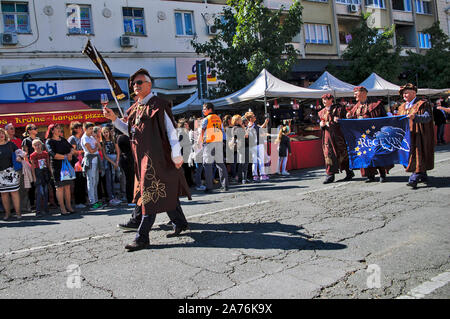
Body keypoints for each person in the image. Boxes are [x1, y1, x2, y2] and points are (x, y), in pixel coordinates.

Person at [103, 68, 191, 251]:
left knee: (149, 195)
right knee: (164, 189)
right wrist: (114, 119)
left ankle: (142, 237)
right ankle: (180, 222)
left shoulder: (159, 104)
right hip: (141, 158)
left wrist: (176, 153)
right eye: (133, 83)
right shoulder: (135, 108)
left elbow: (171, 130)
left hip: (157, 158)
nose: (135, 86)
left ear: (149, 85)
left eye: (139, 82)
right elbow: (130, 131)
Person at [346, 86, 392, 183]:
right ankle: (370, 175)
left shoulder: (376, 104)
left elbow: (383, 119)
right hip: (363, 137)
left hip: (374, 134)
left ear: (363, 93)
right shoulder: (356, 107)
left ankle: (382, 173)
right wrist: (349, 117)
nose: (354, 95)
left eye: (356, 93)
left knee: (377, 153)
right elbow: (353, 120)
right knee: (365, 155)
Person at [397, 83, 435, 189]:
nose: (404, 95)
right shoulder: (401, 107)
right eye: (403, 93)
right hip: (407, 136)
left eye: (406, 93)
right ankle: (422, 174)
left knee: (418, 154)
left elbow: (427, 117)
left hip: (419, 135)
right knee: (410, 155)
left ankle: (414, 178)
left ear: (414, 93)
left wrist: (415, 117)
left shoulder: (422, 104)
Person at [319, 94, 354, 184]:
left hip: (338, 135)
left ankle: (349, 172)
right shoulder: (321, 112)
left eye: (326, 99)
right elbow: (322, 121)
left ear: (331, 100)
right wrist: (321, 125)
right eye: (323, 100)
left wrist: (340, 120)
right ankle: (330, 175)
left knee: (342, 152)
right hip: (327, 136)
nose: (324, 101)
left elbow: (345, 119)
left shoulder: (339, 109)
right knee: (328, 154)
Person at [45, 124, 76, 215]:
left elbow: (71, 148)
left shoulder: (63, 139)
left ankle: (69, 206)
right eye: (57, 128)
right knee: (60, 187)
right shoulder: (49, 141)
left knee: (67, 186)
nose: (59, 130)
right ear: (52, 131)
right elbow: (53, 154)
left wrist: (70, 154)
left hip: (66, 166)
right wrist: (65, 156)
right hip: (57, 166)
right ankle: (62, 208)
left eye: (59, 128)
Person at [199, 102, 229, 193]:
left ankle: (209, 187)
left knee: (207, 164)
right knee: (220, 164)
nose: (203, 110)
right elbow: (222, 131)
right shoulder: (218, 118)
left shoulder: (206, 119)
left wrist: (199, 142)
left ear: (209, 109)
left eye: (204, 109)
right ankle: (225, 186)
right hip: (218, 142)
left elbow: (202, 131)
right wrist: (223, 141)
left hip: (209, 143)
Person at [0, 127, 22, 220]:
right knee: (4, 194)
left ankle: (18, 213)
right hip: (0, 173)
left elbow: (21, 153)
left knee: (14, 192)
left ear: (5, 135)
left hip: (11, 172)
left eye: (2, 133)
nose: (1, 135)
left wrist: (19, 157)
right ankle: (7, 214)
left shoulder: (10, 144)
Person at [81, 122, 103, 210]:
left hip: (96, 160)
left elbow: (100, 147)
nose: (91, 131)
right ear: (85, 129)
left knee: (96, 181)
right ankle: (92, 201)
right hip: (90, 160)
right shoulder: (85, 138)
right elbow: (91, 151)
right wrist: (97, 147)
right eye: (90, 129)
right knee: (91, 180)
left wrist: (96, 138)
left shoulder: (91, 137)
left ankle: (96, 200)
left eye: (92, 129)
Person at [67, 121, 87, 209]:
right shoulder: (72, 138)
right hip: (75, 163)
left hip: (82, 162)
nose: (81, 129)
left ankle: (83, 200)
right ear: (75, 129)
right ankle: (78, 201)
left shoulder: (81, 138)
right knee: (78, 182)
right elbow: (72, 151)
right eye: (79, 127)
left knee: (82, 181)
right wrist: (82, 151)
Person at [245, 111, 269, 181]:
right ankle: (262, 174)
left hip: (253, 146)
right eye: (253, 116)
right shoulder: (251, 127)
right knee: (260, 160)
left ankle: (255, 175)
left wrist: (266, 122)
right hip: (258, 145)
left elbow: (261, 128)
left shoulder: (248, 127)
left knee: (255, 161)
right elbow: (261, 128)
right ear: (250, 119)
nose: (255, 117)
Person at [100, 126, 121, 206]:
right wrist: (113, 163)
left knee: (116, 178)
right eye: (104, 132)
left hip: (115, 160)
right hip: (108, 162)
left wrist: (117, 161)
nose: (106, 134)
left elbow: (118, 151)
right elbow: (105, 155)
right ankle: (111, 197)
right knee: (109, 180)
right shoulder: (103, 142)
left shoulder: (113, 140)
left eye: (106, 132)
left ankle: (116, 195)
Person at [30, 139, 50, 217]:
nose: (37, 146)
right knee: (39, 192)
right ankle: (38, 210)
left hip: (45, 172)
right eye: (35, 145)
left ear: (41, 145)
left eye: (39, 144)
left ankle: (46, 209)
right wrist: (34, 177)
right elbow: (32, 167)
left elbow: (48, 164)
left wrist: (50, 173)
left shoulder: (45, 154)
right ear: (33, 146)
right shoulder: (33, 155)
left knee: (45, 192)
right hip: (38, 173)